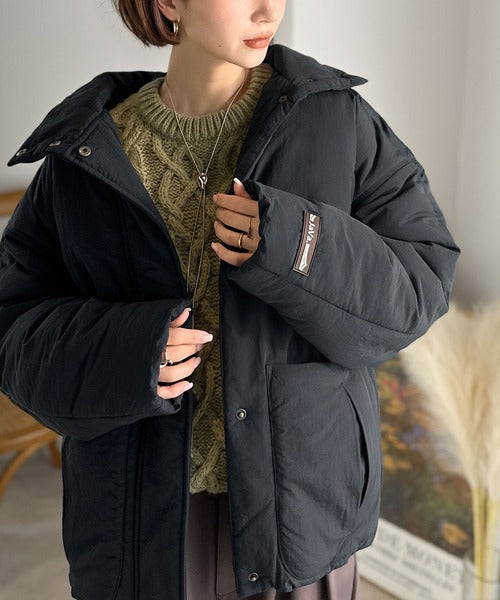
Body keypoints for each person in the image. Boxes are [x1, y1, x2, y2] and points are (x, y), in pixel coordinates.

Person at [0, 0, 461, 599]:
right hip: (136, 528)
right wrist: (130, 353)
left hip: (301, 522)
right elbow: (14, 328)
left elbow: (422, 280)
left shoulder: (337, 122)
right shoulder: (86, 150)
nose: (269, 9)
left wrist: (300, 245)